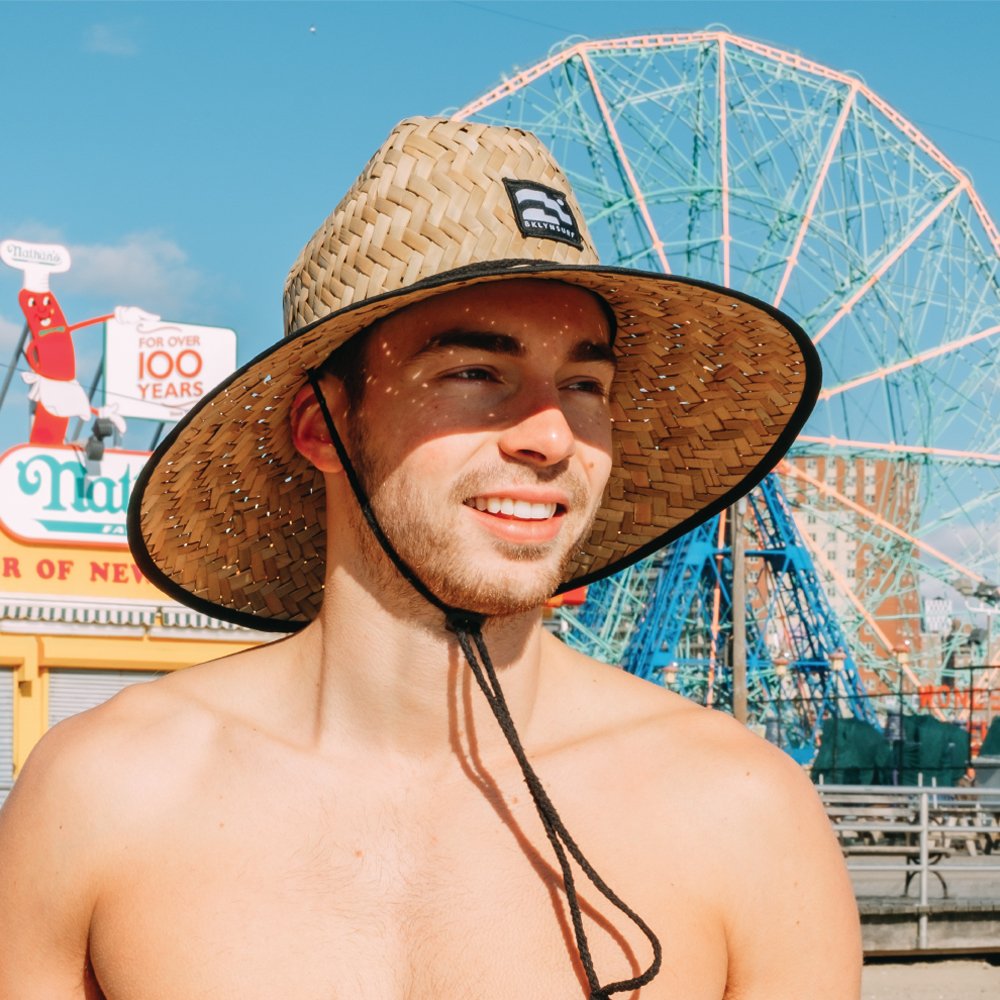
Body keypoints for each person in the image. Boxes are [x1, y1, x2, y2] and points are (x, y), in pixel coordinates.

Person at [0, 118, 861, 999]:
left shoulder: (743, 813)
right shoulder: (102, 797)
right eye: (475, 374)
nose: (551, 434)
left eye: (585, 385)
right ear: (321, 427)